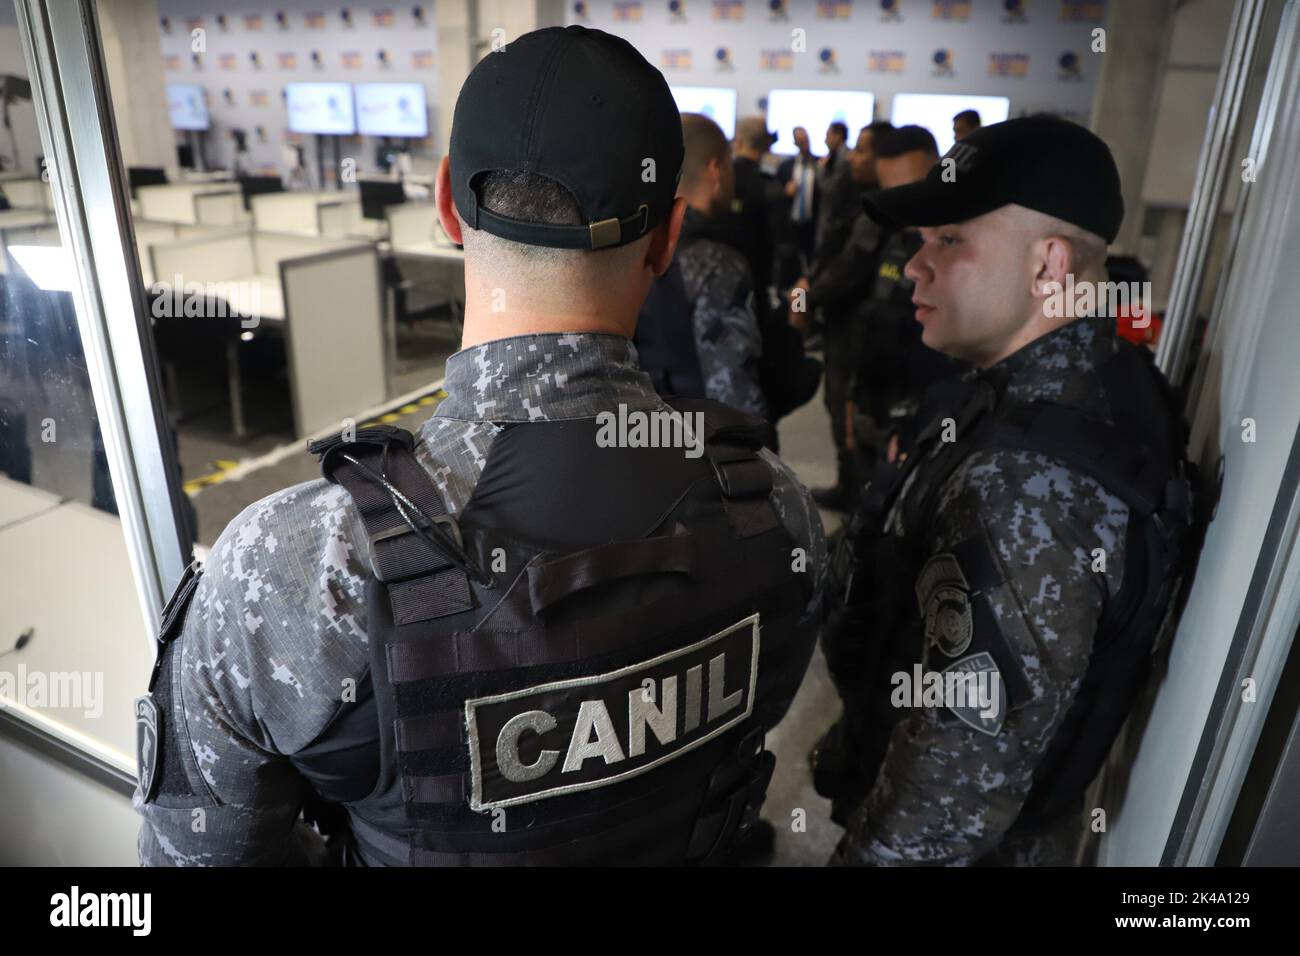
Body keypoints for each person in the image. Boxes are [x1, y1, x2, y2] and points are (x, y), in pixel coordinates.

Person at [134, 25, 824, 867]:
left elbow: (199, 857)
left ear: (448, 208)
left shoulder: (296, 572)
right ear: (668, 236)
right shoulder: (776, 512)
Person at [818, 116, 1198, 865]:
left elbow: (951, 795)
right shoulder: (1046, 391)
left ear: (1049, 265)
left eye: (948, 241)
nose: (915, 267)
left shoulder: (1036, 482)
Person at [787, 121, 893, 510]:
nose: (854, 158)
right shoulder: (857, 194)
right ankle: (849, 489)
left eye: (863, 150)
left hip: (860, 328)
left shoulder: (881, 209)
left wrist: (806, 298)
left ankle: (862, 505)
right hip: (842, 322)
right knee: (840, 409)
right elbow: (832, 250)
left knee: (853, 416)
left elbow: (850, 267)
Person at [635, 113, 768, 422]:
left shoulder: (629, 245)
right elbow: (734, 390)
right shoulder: (717, 263)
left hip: (633, 437)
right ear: (716, 170)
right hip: (705, 447)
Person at [776, 125, 819, 269]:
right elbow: (775, 194)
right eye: (800, 142)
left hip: (812, 223)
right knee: (789, 262)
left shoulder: (819, 164)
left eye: (805, 140)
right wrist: (785, 192)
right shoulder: (786, 167)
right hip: (791, 223)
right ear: (795, 143)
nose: (804, 145)